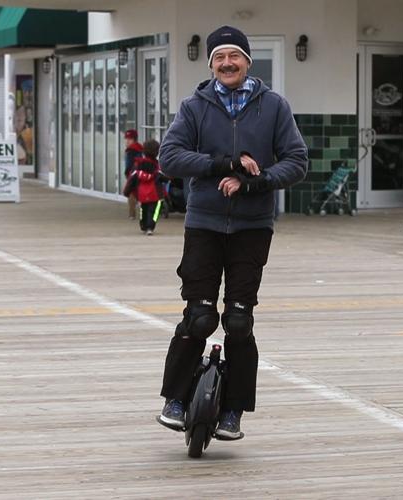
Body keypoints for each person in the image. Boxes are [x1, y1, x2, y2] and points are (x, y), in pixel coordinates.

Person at [156, 25, 308, 439]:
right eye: (219, 58)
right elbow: (169, 157)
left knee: (239, 322)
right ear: (211, 65)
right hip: (204, 223)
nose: (227, 63)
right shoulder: (194, 106)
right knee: (200, 317)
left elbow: (297, 160)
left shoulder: (273, 106)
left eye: (234, 56)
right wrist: (224, 165)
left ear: (247, 61)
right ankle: (174, 398)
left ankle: (233, 411)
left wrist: (254, 182)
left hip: (252, 226)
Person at [123, 139, 163, 235]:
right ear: (157, 152)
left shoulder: (138, 164)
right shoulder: (157, 166)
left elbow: (132, 178)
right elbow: (164, 177)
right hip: (155, 193)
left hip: (142, 193)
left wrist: (127, 191)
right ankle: (150, 227)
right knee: (154, 211)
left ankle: (143, 225)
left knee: (143, 208)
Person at [123, 129, 144, 220]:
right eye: (126, 139)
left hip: (133, 174)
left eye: (129, 139)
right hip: (140, 174)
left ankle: (132, 214)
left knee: (131, 194)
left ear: (134, 139)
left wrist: (127, 174)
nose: (127, 141)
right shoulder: (140, 148)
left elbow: (129, 165)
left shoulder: (131, 150)